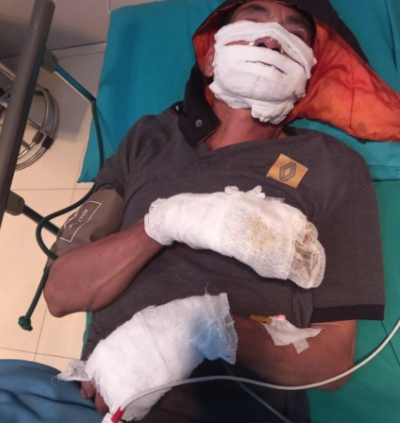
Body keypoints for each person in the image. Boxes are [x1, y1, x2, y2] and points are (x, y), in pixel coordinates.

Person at [43, 0, 391, 422]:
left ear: (307, 76)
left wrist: (205, 328)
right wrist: (164, 222)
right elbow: (61, 293)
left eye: (294, 33)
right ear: (210, 56)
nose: (271, 39)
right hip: (92, 401)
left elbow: (334, 362)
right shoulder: (148, 137)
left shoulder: (335, 166)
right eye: (253, 19)